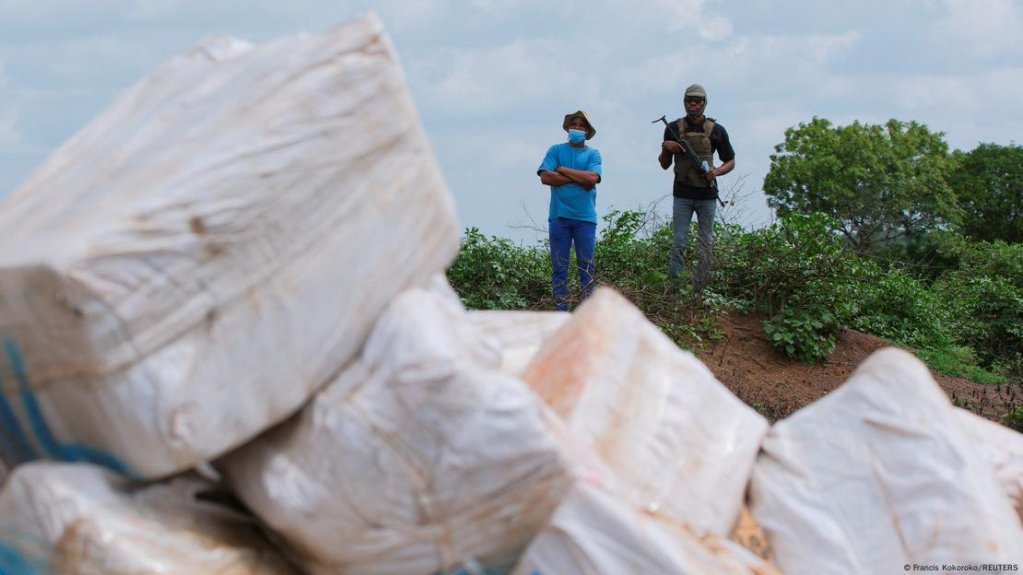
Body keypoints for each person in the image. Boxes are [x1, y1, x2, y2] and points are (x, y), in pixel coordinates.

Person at [658, 84, 735, 294]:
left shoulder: (717, 130)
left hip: (707, 195)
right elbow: (664, 164)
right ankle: (675, 290)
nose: (693, 103)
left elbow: (730, 161)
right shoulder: (673, 127)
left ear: (704, 103)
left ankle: (700, 290)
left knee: (706, 243)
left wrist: (716, 172)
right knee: (679, 242)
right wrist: (666, 147)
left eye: (698, 100)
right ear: (684, 102)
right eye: (689, 99)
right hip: (682, 194)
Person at [537, 110, 603, 311]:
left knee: (586, 267)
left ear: (587, 131)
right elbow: (545, 177)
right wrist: (579, 178)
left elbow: (593, 179)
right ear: (568, 128)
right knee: (559, 267)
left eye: (582, 125)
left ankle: (588, 313)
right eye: (574, 124)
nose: (577, 128)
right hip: (559, 217)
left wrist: (563, 170)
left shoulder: (593, 154)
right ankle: (561, 312)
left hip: (585, 218)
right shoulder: (555, 150)